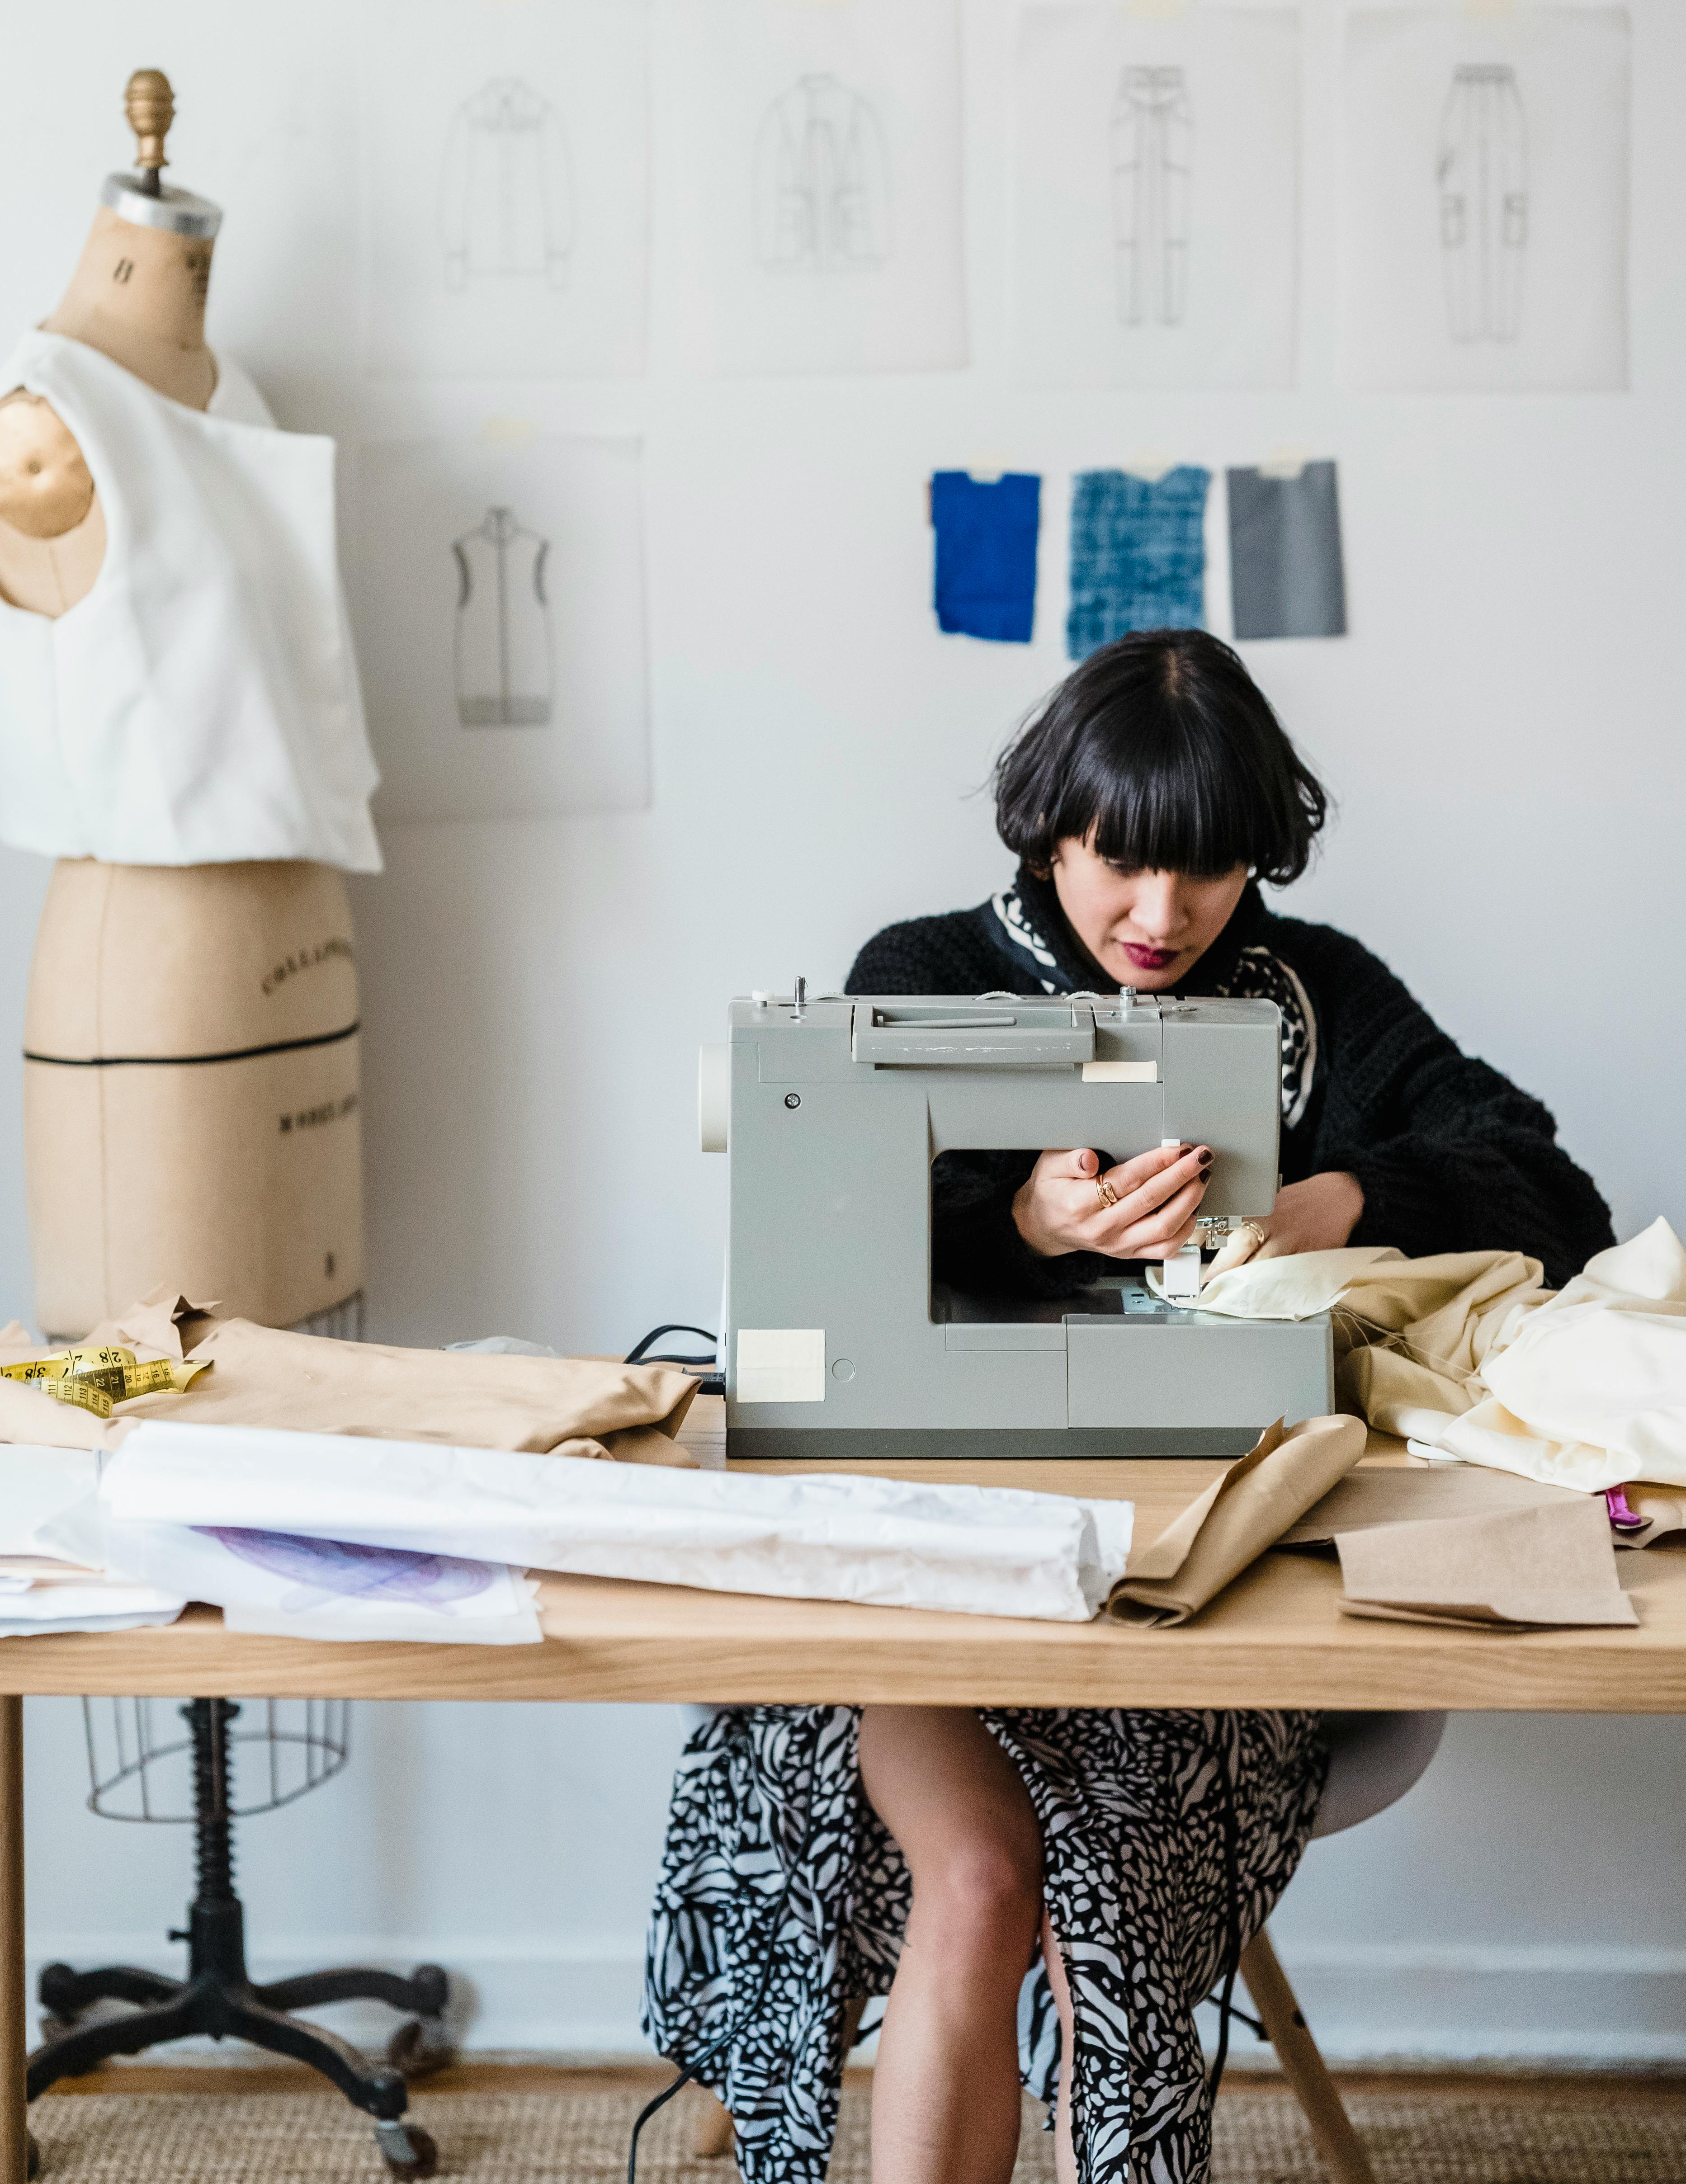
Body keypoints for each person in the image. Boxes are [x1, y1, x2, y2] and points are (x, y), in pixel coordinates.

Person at [646, 632, 1613, 2184]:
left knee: (1076, 1868)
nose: (1161, 918)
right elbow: (819, 1224)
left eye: (1211, 872)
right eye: (1122, 864)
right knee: (974, 1870)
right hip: (945, 1552)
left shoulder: (1319, 1000)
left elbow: (1555, 1188)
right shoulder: (927, 975)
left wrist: (1336, 1196)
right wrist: (1025, 1221)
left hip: (1203, 1580)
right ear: (1049, 826)